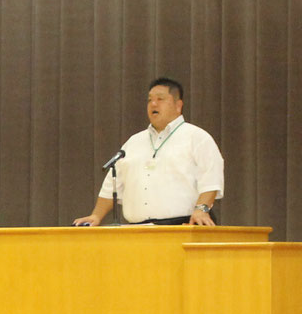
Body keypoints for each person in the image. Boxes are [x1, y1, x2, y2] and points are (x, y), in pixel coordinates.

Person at [73, 77, 224, 227]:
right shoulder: (134, 142)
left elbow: (211, 180)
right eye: (149, 100)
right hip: (140, 231)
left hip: (184, 226)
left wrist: (201, 209)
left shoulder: (197, 137)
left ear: (178, 106)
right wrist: (96, 215)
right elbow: (112, 186)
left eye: (160, 99)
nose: (153, 104)